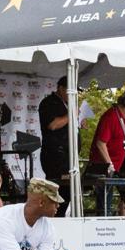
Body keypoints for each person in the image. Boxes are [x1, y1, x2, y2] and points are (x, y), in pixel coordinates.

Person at [86, 89, 125, 215]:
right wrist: (110, 165)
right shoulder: (111, 116)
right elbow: (100, 143)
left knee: (109, 204)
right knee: (104, 207)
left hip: (113, 169)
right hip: (102, 169)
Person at [38, 77, 73, 216]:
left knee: (68, 193)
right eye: (70, 91)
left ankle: (60, 218)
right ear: (61, 88)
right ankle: (53, 219)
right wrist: (70, 116)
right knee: (57, 191)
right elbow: (53, 125)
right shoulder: (48, 103)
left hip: (68, 156)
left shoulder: (66, 104)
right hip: (55, 156)